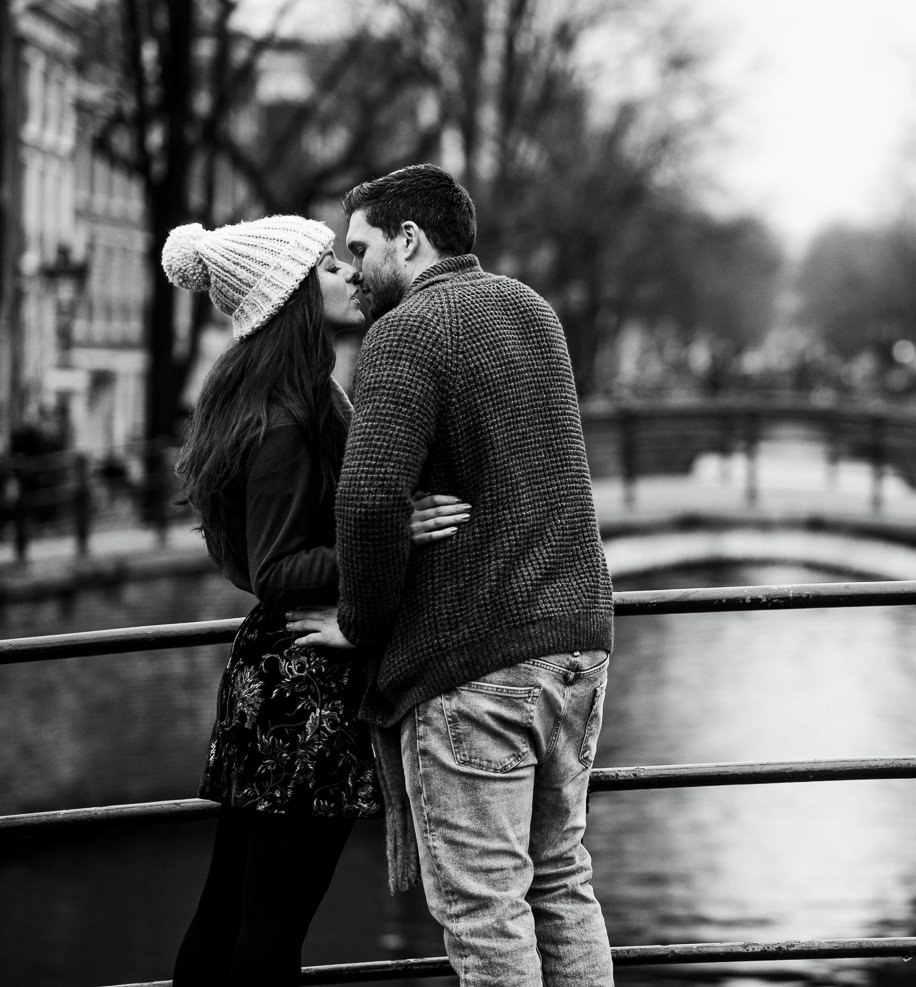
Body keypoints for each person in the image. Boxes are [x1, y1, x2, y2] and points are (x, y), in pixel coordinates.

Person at [287, 163, 615, 987]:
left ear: (409, 238)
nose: (350, 267)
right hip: (576, 646)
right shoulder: (531, 310)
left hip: (477, 663)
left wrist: (360, 624)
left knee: (485, 908)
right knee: (561, 880)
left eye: (358, 247)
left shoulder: (406, 331)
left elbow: (365, 501)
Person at [161, 214, 471, 986]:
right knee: (269, 921)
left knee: (235, 906)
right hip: (302, 684)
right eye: (327, 266)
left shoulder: (296, 394)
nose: (346, 272)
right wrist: (392, 531)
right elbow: (276, 567)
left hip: (281, 675)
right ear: (294, 294)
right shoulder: (286, 416)